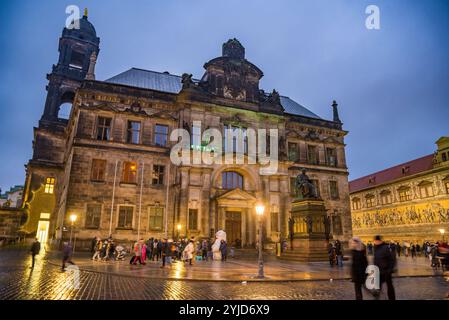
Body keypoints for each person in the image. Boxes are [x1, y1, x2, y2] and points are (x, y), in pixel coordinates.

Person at [373, 235, 396, 300]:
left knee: (389, 287)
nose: (375, 242)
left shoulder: (386, 248)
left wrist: (389, 269)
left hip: (386, 271)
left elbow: (392, 259)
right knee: (378, 287)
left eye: (376, 240)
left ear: (379, 241)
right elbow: (376, 260)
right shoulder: (376, 248)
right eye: (375, 241)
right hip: (379, 271)